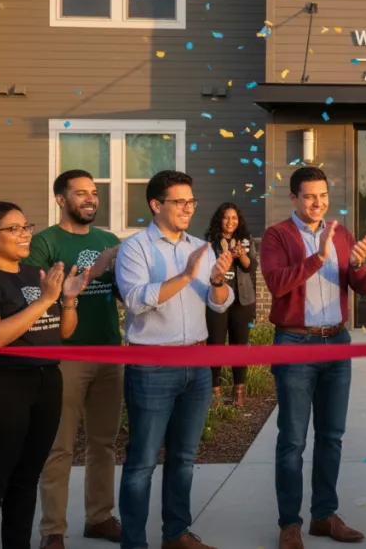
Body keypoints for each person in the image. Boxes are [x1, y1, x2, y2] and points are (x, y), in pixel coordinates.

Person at [0, 201, 90, 549]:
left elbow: (64, 332)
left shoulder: (33, 273)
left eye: (27, 226)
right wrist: (44, 301)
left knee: (26, 479)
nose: (25, 235)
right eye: (15, 229)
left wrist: (67, 301)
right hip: (2, 387)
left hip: (44, 382)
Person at [114, 170, 234, 549]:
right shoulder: (135, 248)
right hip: (152, 365)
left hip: (197, 364)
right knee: (143, 462)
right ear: (155, 205)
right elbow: (135, 300)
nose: (188, 208)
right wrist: (185, 275)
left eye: (191, 201)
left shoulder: (201, 246)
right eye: (179, 201)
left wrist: (216, 282)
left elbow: (220, 306)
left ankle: (176, 534)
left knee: (183, 458)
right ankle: (134, 542)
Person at [261, 166, 366, 549]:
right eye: (309, 196)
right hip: (295, 343)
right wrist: (317, 257)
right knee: (292, 439)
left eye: (323, 195)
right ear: (293, 198)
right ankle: (289, 523)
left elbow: (364, 287)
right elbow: (276, 285)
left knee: (332, 436)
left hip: (336, 341)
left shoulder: (341, 232)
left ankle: (324, 515)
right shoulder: (277, 235)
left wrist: (357, 265)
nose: (318, 203)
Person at [30, 171, 124, 549]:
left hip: (108, 351)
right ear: (59, 199)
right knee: (60, 445)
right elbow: (35, 300)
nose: (90, 199)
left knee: (103, 443)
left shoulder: (109, 240)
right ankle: (53, 530)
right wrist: (93, 271)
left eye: (94, 193)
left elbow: (124, 292)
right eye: (81, 193)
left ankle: (99, 518)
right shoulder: (43, 243)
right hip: (64, 357)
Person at [203, 202, 259, 407]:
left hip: (241, 300)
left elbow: (251, 266)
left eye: (234, 218)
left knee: (239, 346)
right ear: (220, 219)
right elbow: (206, 267)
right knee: (215, 344)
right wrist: (226, 255)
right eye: (226, 217)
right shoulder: (211, 242)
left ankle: (239, 393)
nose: (230, 222)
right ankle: (215, 394)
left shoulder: (245, 240)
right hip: (217, 299)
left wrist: (240, 254)